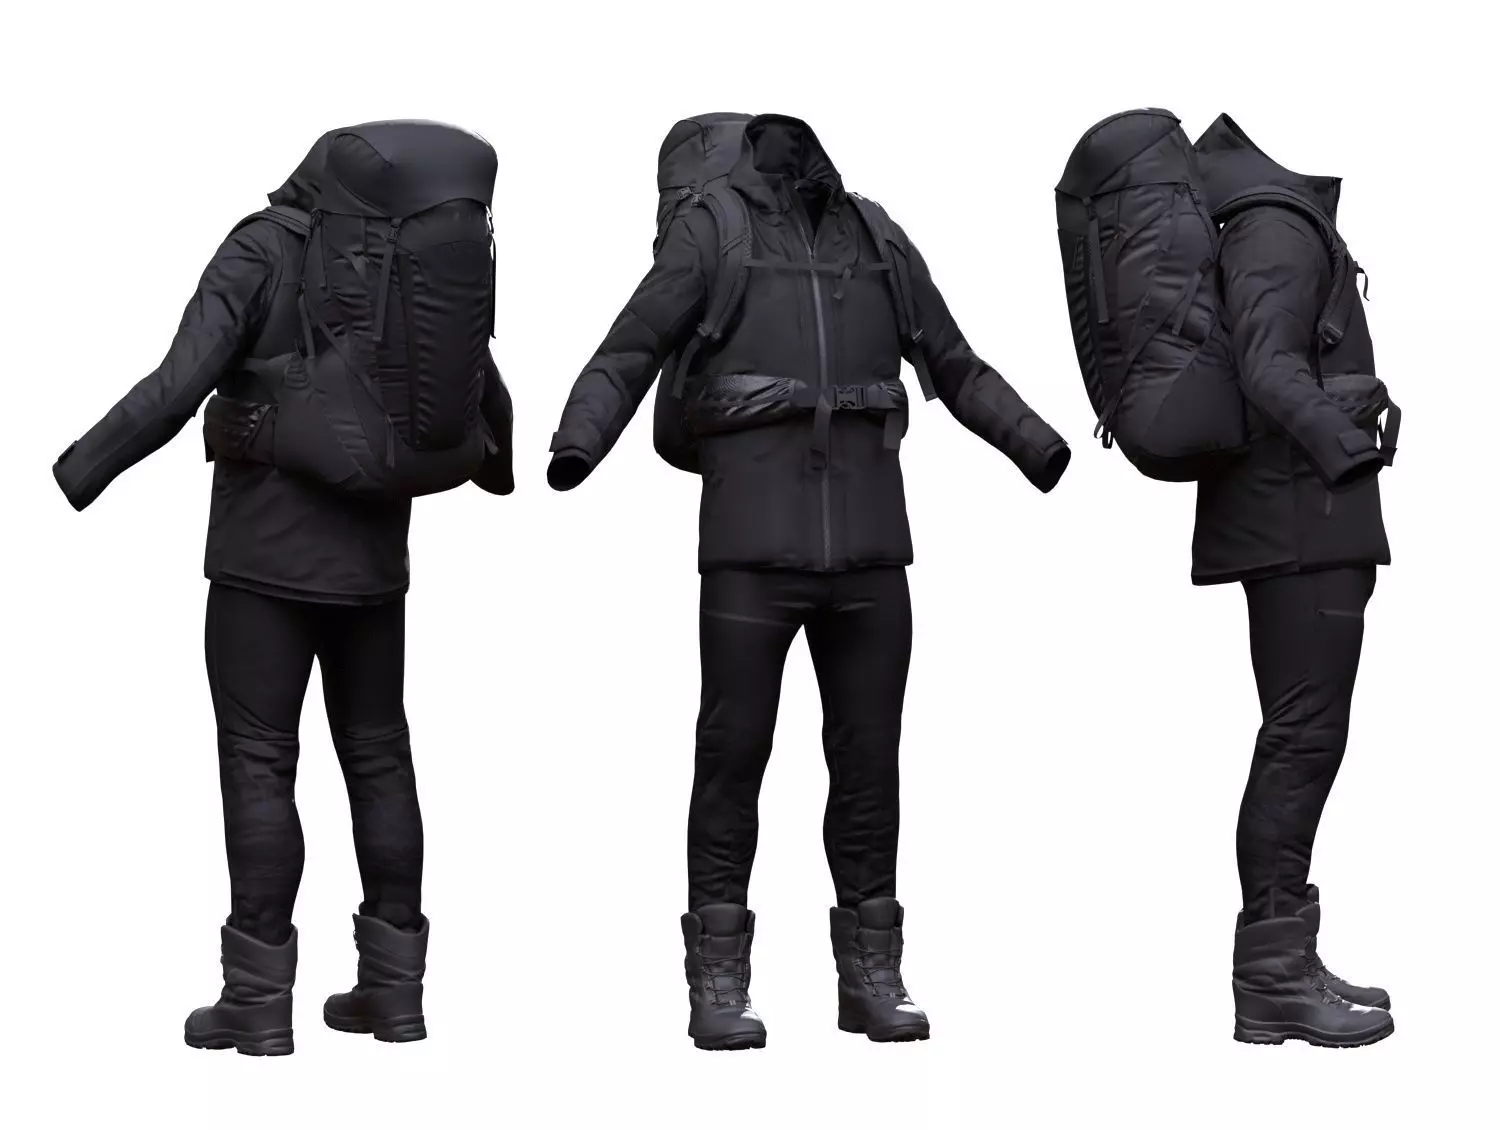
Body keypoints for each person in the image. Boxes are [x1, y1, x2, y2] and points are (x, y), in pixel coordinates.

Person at [548, 114, 1069, 1050]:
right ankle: (719, 981)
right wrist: (578, 440)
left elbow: (953, 362)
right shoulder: (714, 231)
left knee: (870, 769)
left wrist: (1035, 443)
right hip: (750, 550)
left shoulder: (875, 233)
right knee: (731, 760)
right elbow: (630, 347)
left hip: (872, 554)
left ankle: (871, 976)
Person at [52, 128, 514, 1056]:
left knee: (260, 761)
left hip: (263, 561)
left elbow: (177, 385)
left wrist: (77, 471)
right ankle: (395, 994)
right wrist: (499, 467)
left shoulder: (262, 247)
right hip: (375, 563)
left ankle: (257, 1001)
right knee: (379, 757)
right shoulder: (404, 259)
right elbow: (475, 382)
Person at [1193, 114, 1394, 1047]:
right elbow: (1268, 367)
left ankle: (1287, 957)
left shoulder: (1269, 218)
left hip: (1297, 517)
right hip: (1298, 520)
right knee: (1301, 740)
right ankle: (1271, 978)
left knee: (1303, 738)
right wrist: (1348, 450)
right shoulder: (1275, 226)